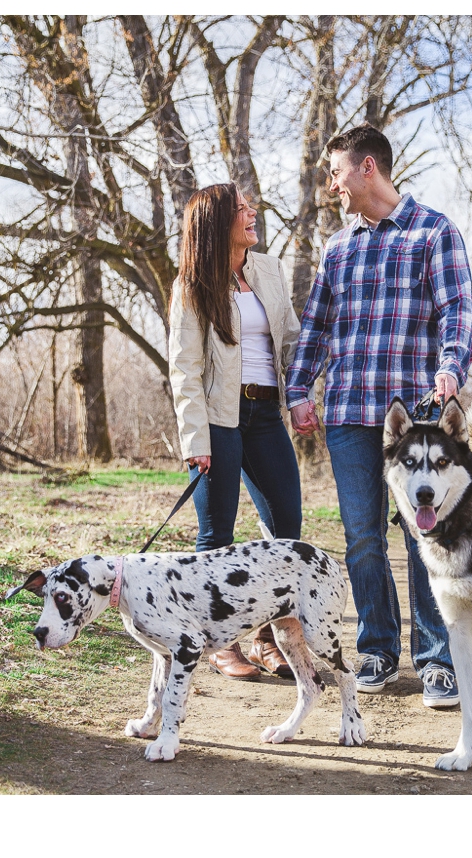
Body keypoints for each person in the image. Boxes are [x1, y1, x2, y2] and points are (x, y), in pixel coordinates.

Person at [285, 123, 472, 708]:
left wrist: (451, 367)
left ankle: (437, 658)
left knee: (426, 533)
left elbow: (457, 312)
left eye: (337, 172)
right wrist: (299, 389)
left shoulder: (433, 233)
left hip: (412, 418)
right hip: (347, 412)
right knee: (362, 536)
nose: (332, 185)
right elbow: (316, 325)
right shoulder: (338, 247)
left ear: (368, 168)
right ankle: (376, 649)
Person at [169, 182, 303, 680]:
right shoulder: (191, 285)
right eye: (242, 209)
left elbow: (289, 336)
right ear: (217, 223)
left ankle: (266, 637)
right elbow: (184, 369)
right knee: (216, 536)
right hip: (218, 420)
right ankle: (217, 643)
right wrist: (195, 442)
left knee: (286, 526)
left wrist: (302, 395)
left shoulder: (266, 268)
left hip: (267, 416)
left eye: (250, 206)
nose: (252, 213)